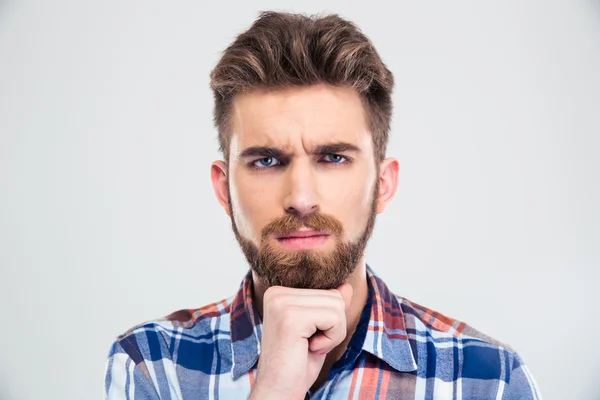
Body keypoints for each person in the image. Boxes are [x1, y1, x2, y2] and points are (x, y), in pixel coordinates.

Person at [104, 11, 542, 400]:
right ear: (224, 189)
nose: (300, 198)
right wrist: (274, 391)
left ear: (384, 185)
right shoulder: (154, 366)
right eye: (266, 160)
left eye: (333, 158)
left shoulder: (488, 382)